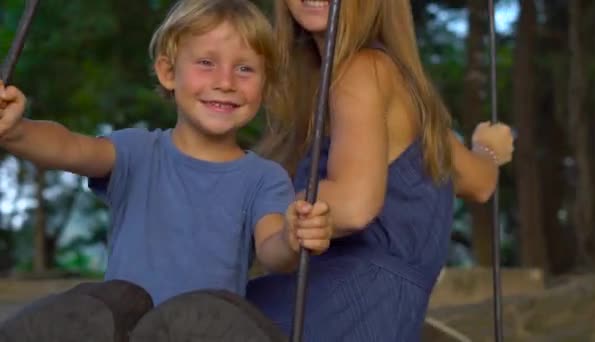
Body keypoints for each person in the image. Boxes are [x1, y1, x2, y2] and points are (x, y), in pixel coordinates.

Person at [0, 0, 333, 307]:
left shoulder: (263, 178)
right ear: (168, 72)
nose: (226, 82)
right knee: (80, 309)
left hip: (203, 330)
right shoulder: (137, 153)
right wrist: (16, 131)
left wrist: (292, 239)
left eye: (245, 69)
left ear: (265, 84)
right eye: (206, 63)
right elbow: (68, 147)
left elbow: (272, 249)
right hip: (124, 327)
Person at [246, 0, 514, 341]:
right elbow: (480, 182)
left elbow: (354, 205)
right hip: (386, 319)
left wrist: (262, 206)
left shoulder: (362, 70)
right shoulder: (402, 89)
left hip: (336, 311)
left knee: (195, 318)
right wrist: (488, 149)